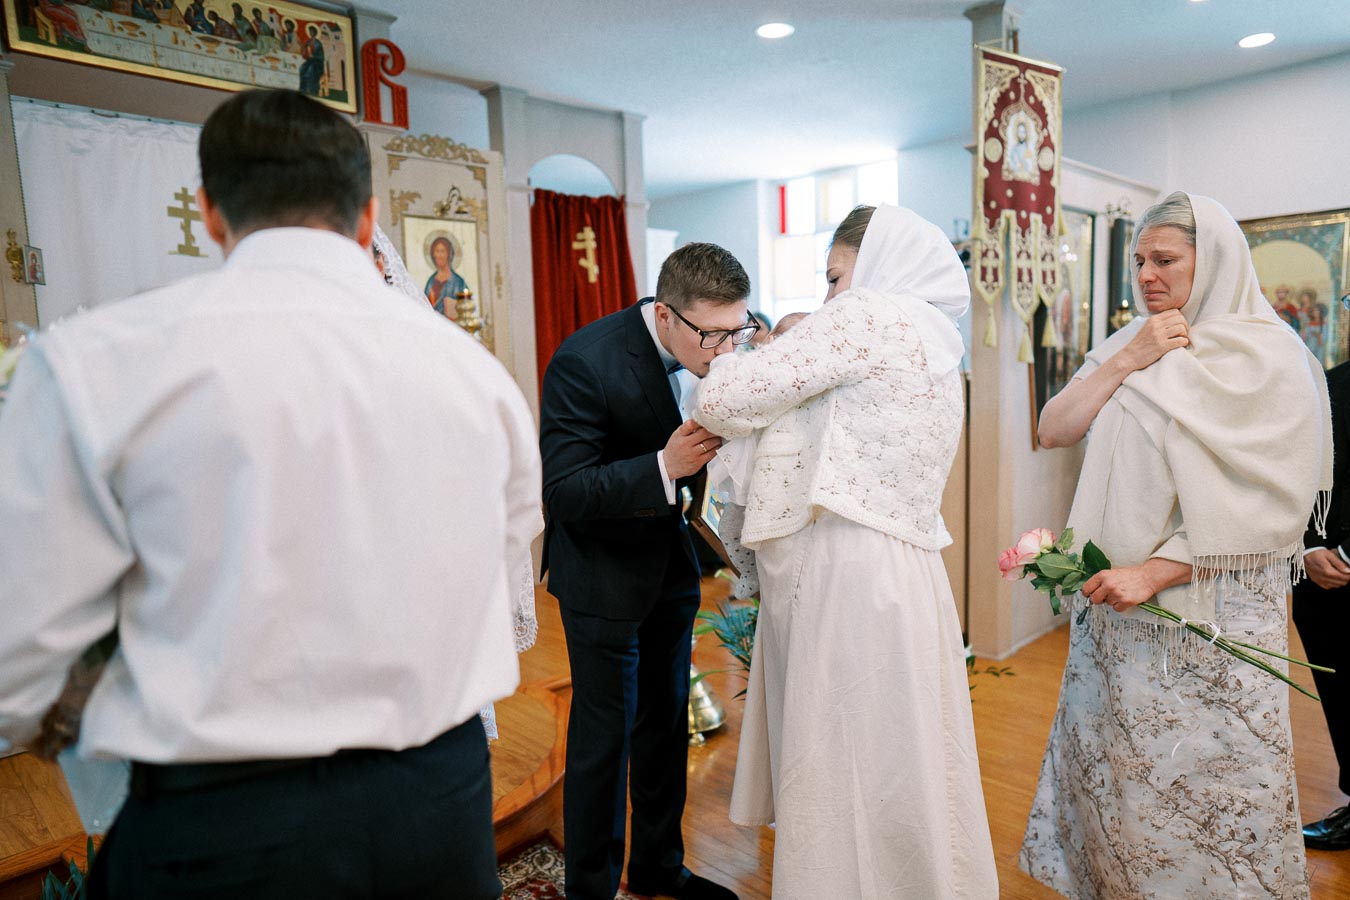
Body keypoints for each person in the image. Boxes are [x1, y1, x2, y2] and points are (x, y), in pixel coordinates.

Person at [0, 89, 541, 899]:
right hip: (440, 809)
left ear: (212, 213)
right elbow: (503, 579)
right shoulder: (476, 376)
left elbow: (22, 656)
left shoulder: (98, 363)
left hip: (221, 823)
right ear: (369, 219)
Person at [1021, 192, 1332, 898]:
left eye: (1165, 259)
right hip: (1119, 616)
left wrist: (1154, 570)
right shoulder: (1132, 342)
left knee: (1211, 782)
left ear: (1213, 259)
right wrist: (1125, 359)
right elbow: (1054, 428)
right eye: (1139, 261)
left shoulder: (1273, 356)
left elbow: (1275, 503)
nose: (1147, 275)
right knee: (1126, 778)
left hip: (1213, 613)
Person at [695, 204, 998, 898]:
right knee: (897, 751)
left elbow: (728, 400)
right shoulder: (934, 339)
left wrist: (751, 350)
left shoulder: (867, 315)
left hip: (846, 564)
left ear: (876, 263)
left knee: (839, 753)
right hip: (907, 570)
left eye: (834, 277)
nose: (829, 295)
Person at [539, 242, 755, 900]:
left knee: (665, 730)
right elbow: (566, 491)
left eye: (736, 331)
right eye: (711, 335)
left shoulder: (720, 344)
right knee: (604, 743)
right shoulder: (585, 360)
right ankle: (591, 889)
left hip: (670, 574)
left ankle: (660, 867)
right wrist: (664, 468)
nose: (724, 351)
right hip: (602, 581)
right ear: (665, 315)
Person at [1294, 357, 1350, 850]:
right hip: (1320, 577)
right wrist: (1308, 545)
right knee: (1343, 695)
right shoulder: (1328, 383)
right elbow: (1299, 466)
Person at [424, 235, 469, 317]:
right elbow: (425, 306)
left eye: (442, 251)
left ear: (449, 254)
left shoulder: (459, 282)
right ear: (433, 255)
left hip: (453, 326)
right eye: (437, 251)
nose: (440, 255)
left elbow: (467, 307)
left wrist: (453, 306)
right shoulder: (430, 282)